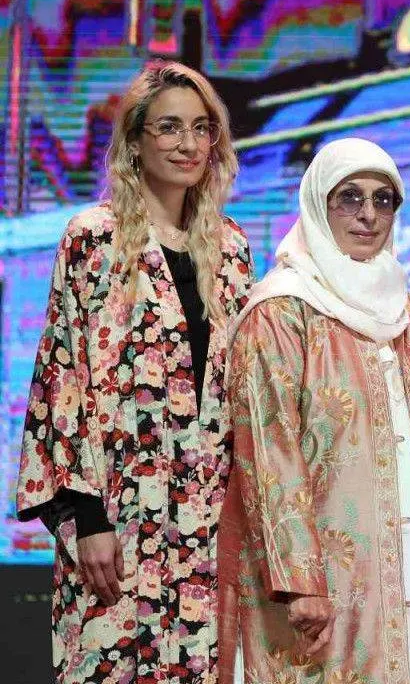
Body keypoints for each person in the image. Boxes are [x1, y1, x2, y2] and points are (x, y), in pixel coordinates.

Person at [15, 59, 253, 682]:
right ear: (135, 139)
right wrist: (86, 518)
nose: (188, 143)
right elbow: (61, 379)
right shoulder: (94, 238)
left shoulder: (231, 249)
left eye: (201, 128)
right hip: (118, 519)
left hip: (207, 521)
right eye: (169, 127)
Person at [215, 138, 410, 683]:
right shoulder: (281, 311)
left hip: (395, 573)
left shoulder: (409, 317)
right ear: (318, 204)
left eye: (383, 199)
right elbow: (267, 451)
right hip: (309, 590)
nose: (368, 214)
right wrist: (301, 580)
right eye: (349, 197)